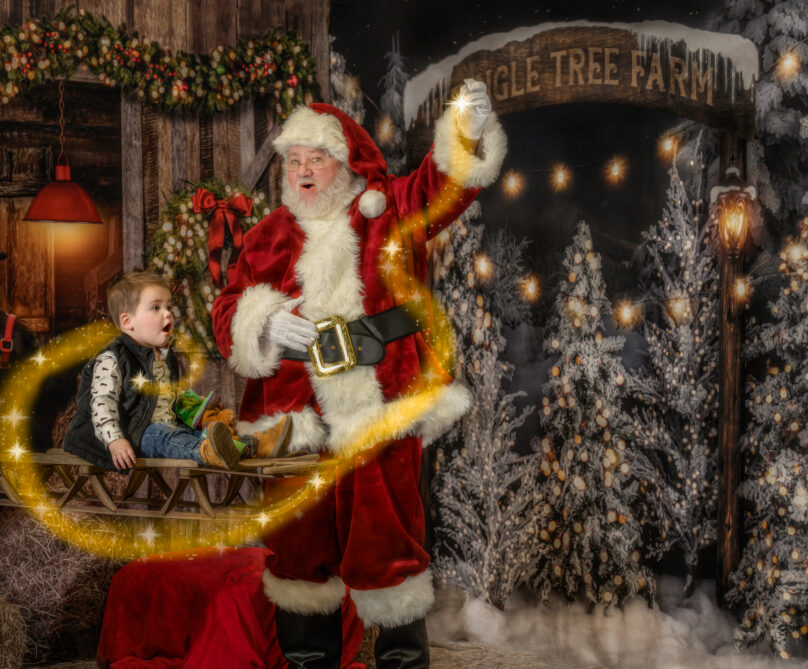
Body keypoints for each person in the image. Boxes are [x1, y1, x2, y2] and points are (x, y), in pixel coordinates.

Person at [211, 80, 505, 666]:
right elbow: (227, 310)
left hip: (378, 411)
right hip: (295, 423)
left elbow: (442, 188)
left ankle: (401, 661)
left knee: (389, 555)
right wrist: (262, 323)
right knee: (298, 558)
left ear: (343, 161)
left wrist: (465, 132)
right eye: (292, 161)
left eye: (314, 158)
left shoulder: (387, 208)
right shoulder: (268, 235)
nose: (301, 171)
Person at [63, 270, 293, 472]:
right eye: (156, 307)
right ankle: (207, 451)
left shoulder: (163, 355)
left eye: (168, 306)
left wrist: (197, 410)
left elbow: (170, 395)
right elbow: (102, 404)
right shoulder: (112, 358)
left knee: (201, 432)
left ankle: (254, 445)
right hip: (133, 434)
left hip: (166, 425)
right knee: (166, 437)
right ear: (128, 322)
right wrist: (114, 440)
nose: (167, 314)